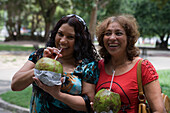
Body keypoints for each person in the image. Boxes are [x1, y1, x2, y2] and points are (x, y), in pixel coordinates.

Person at [11, 14, 100, 113]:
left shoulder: (87, 66)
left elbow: (89, 105)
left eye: (70, 37)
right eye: (60, 34)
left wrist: (58, 95)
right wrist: (41, 66)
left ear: (80, 41)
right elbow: (15, 85)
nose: (62, 41)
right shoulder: (40, 55)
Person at [95, 14, 166, 113]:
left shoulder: (143, 67)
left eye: (118, 33)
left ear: (129, 38)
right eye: (107, 33)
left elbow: (159, 111)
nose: (112, 38)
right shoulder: (98, 67)